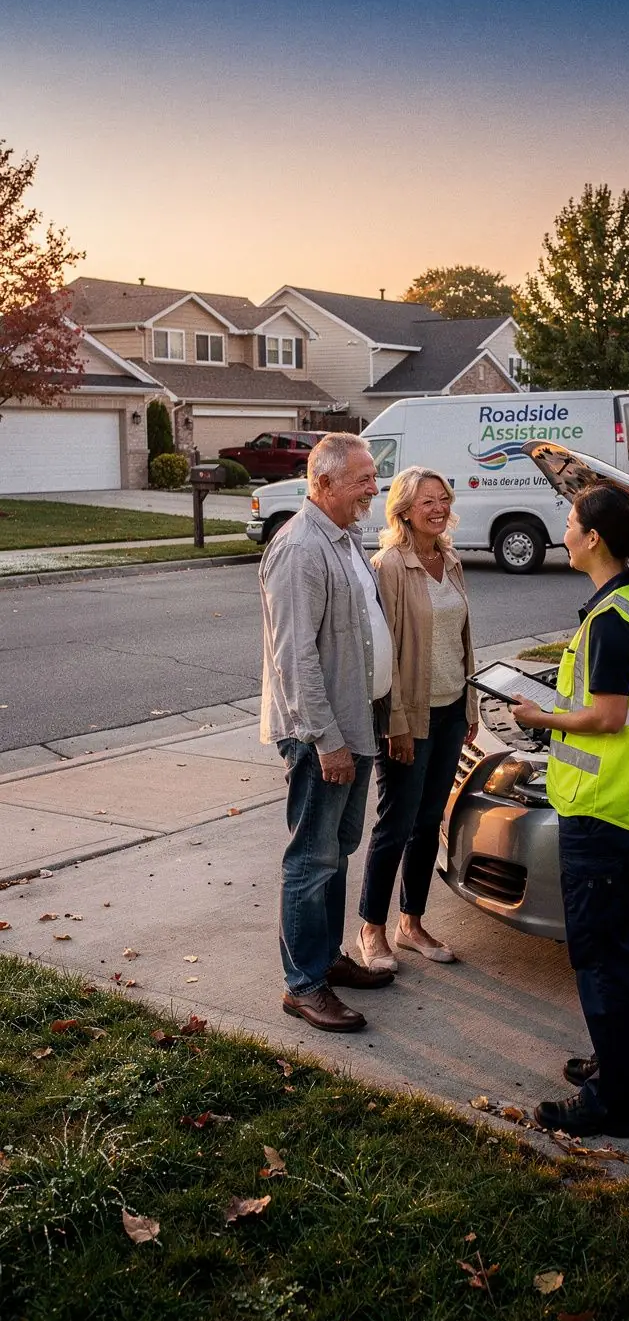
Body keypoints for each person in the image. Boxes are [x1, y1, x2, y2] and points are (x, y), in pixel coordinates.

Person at [510, 483, 629, 1138]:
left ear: (594, 538)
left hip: (602, 810)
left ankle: (614, 1104)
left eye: (571, 522)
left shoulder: (611, 620)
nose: (565, 532)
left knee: (601, 956)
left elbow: (606, 716)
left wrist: (538, 717)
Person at [259, 432, 396, 1033]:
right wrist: (326, 739)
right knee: (311, 858)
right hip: (323, 734)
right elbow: (295, 658)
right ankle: (304, 984)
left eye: (373, 477)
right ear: (323, 483)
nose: (374, 488)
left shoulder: (345, 538)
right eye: (363, 479)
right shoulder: (299, 548)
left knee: (337, 852)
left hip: (354, 724)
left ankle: (326, 957)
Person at [357, 466, 478, 972]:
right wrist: (396, 723)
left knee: (429, 823)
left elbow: (463, 638)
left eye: (443, 499)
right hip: (409, 716)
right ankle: (371, 928)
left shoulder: (449, 559)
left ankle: (411, 923)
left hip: (451, 709)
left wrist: (470, 706)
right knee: (396, 823)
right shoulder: (389, 566)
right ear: (404, 510)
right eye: (428, 501)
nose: (439, 508)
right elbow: (383, 653)